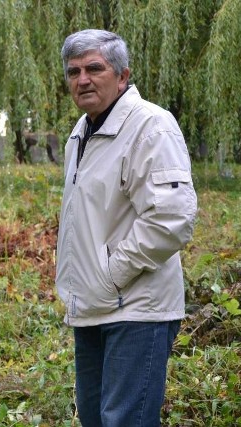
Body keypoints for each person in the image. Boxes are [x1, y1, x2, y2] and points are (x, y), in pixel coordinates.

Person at [55, 29, 198, 427]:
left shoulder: (151, 126)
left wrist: (111, 275)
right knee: (97, 421)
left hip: (136, 310)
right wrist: (89, 285)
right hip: (91, 308)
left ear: (122, 75)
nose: (82, 79)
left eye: (94, 68)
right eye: (73, 71)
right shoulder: (81, 133)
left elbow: (172, 219)